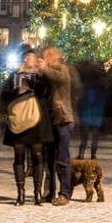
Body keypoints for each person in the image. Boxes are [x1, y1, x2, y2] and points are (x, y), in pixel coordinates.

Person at [1, 49, 54, 206]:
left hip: (37, 120)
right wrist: (16, 91)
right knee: (19, 156)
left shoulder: (41, 76)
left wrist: (43, 73)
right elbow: (3, 96)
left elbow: (47, 92)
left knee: (38, 156)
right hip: (19, 120)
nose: (28, 60)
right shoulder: (14, 75)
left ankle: (37, 193)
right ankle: (21, 193)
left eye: (31, 57)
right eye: (26, 57)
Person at [40, 46, 78, 205]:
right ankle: (49, 192)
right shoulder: (47, 73)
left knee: (62, 158)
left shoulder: (63, 69)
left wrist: (44, 69)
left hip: (63, 119)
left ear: (55, 57)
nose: (44, 58)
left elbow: (58, 78)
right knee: (49, 158)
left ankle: (65, 193)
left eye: (47, 56)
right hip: (51, 119)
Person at [77, 64, 108, 160]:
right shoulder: (102, 85)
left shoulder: (86, 85)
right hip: (97, 113)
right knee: (95, 135)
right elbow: (105, 99)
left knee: (84, 136)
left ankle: (81, 154)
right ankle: (93, 155)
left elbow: (84, 100)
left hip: (86, 113)